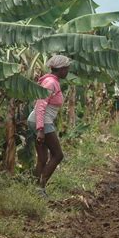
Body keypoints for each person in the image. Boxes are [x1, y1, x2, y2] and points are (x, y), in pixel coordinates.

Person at [27, 55, 71, 198]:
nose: (68, 71)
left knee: (42, 158)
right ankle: (40, 187)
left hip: (41, 121)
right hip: (42, 122)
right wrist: (40, 130)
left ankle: (33, 189)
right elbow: (40, 105)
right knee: (58, 155)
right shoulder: (50, 82)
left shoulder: (52, 81)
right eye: (67, 68)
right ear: (61, 69)